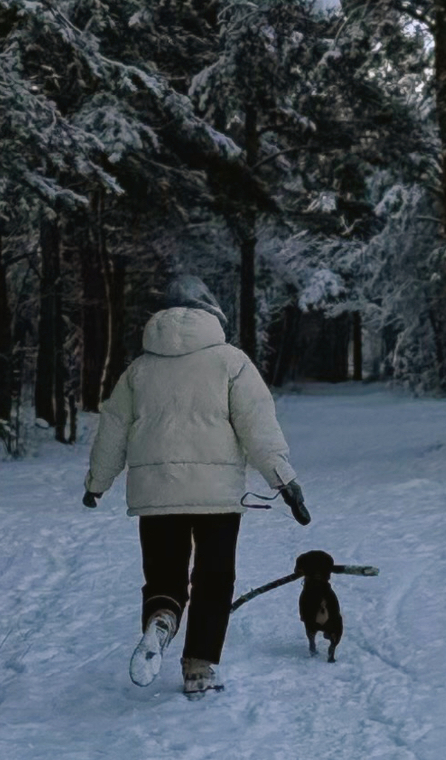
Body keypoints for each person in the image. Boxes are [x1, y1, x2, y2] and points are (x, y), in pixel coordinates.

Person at [82, 276, 310, 696]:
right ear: (212, 313)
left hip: (155, 495)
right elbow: (258, 428)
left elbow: (111, 429)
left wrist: (98, 482)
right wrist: (285, 482)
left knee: (164, 578)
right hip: (216, 497)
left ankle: (162, 620)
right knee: (213, 577)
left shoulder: (139, 370)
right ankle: (199, 669)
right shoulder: (231, 362)